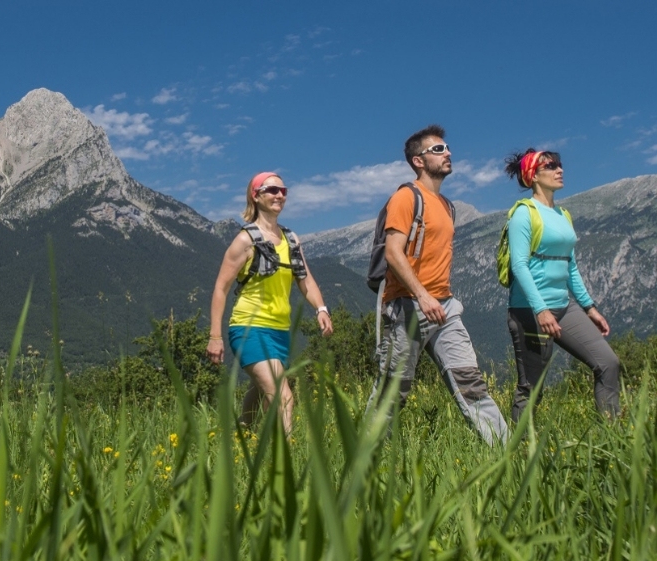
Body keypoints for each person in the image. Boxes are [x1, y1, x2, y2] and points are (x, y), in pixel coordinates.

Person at [367, 125, 509, 446]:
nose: (448, 154)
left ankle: (507, 455)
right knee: (393, 391)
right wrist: (422, 295)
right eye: (438, 150)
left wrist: (437, 299)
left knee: (470, 383)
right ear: (419, 161)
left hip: (445, 307)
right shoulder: (406, 197)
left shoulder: (446, 206)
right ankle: (364, 462)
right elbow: (393, 252)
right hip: (407, 307)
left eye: (447, 149)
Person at [206, 171, 333, 435]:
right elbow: (221, 288)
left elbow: (305, 279)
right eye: (272, 190)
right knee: (281, 396)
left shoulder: (291, 240)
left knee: (260, 387)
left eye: (283, 191)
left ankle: (243, 432)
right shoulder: (245, 241)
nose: (279, 195)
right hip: (248, 328)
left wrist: (321, 309)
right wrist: (215, 336)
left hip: (279, 331)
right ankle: (285, 462)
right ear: (256, 195)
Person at [503, 149, 620, 422]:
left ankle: (614, 436)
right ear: (533, 176)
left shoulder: (563, 214)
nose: (560, 170)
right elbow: (519, 265)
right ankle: (514, 455)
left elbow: (570, 265)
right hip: (530, 311)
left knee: (608, 364)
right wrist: (541, 310)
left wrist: (590, 307)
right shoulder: (523, 214)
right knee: (532, 387)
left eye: (560, 165)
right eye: (551, 166)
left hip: (564, 307)